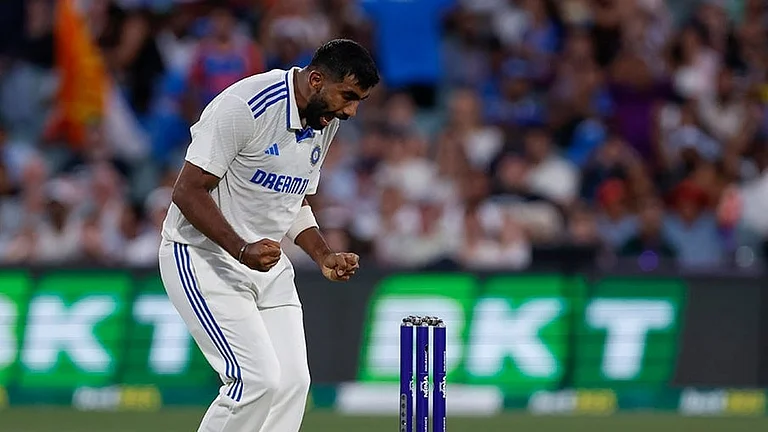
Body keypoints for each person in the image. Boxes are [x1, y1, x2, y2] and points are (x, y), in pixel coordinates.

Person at [158, 39, 379, 432]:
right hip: (202, 257)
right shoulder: (246, 106)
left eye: (358, 100)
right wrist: (242, 250)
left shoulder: (321, 121)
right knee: (255, 381)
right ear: (315, 80)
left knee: (293, 384)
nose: (350, 110)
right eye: (347, 96)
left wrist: (322, 255)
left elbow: (293, 201)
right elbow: (187, 191)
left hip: (267, 266)